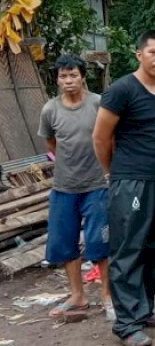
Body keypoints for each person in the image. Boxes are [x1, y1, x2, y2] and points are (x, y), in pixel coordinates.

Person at [93, 30, 155, 346]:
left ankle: (144, 311)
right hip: (129, 180)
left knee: (154, 248)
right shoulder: (121, 90)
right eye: (154, 52)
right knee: (128, 250)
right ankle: (126, 325)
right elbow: (101, 138)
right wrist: (112, 172)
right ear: (139, 53)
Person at [39, 54, 114, 322]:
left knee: (100, 242)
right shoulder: (50, 109)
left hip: (96, 185)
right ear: (57, 80)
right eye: (63, 76)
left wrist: (107, 169)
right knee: (65, 241)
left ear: (83, 76)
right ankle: (77, 294)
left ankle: (107, 295)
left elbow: (109, 137)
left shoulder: (98, 103)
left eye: (73, 75)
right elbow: (51, 143)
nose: (68, 81)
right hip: (64, 187)